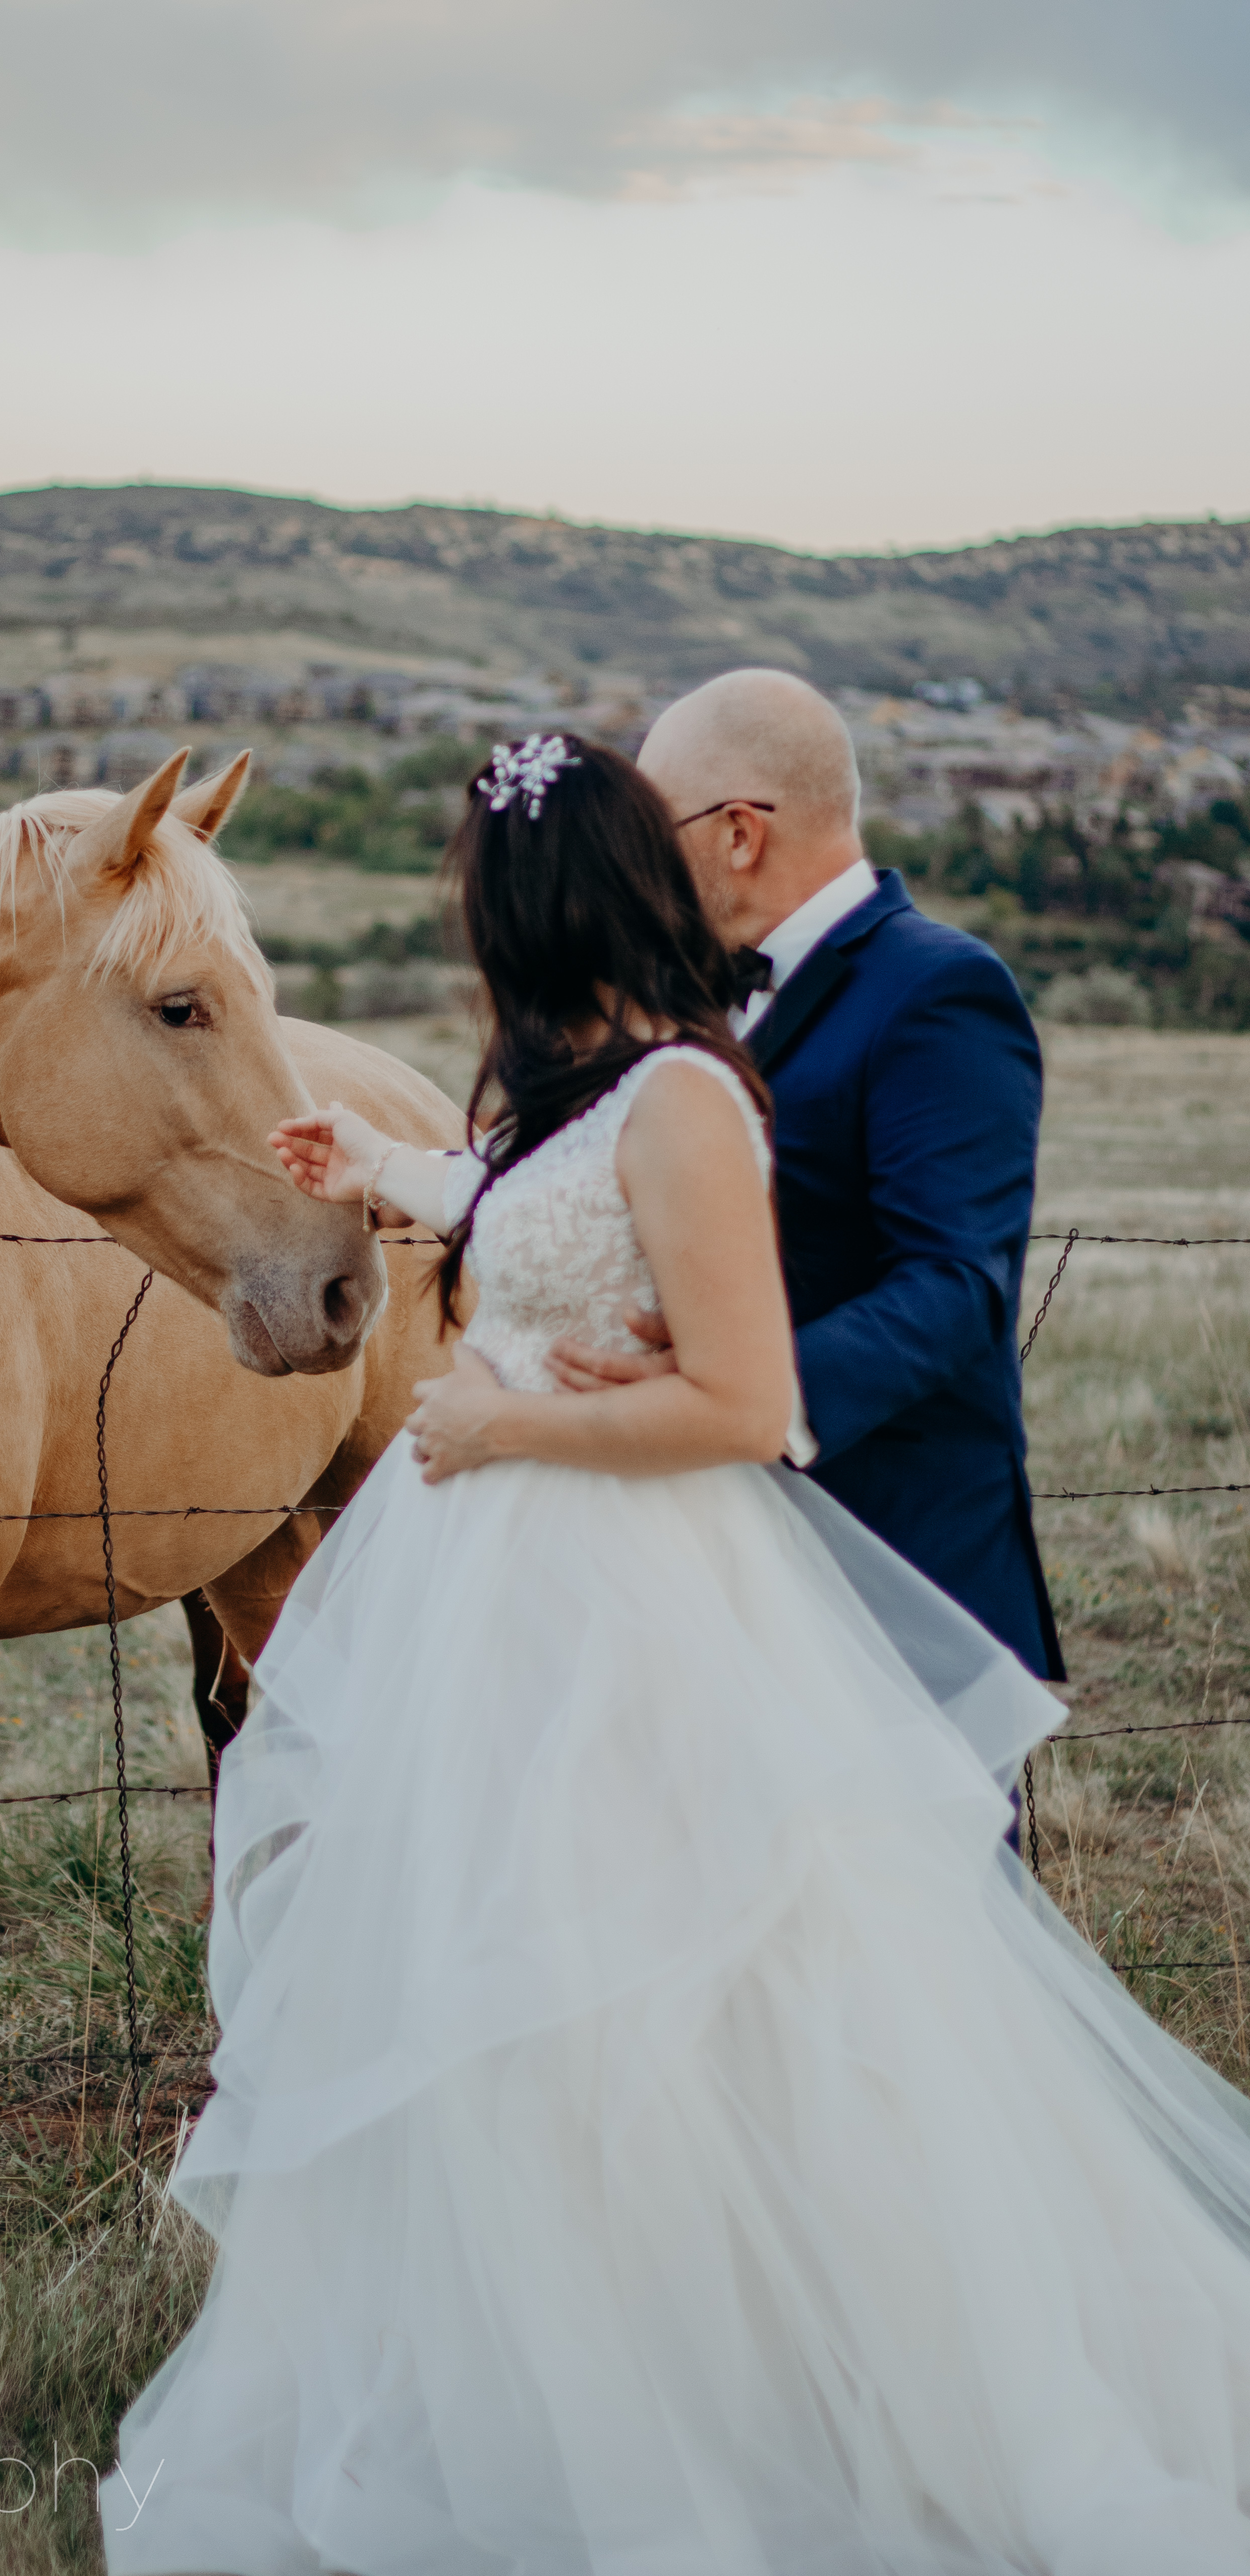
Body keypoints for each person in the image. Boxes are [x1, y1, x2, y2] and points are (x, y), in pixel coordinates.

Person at [101, 732, 1250, 2574]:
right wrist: (390, 1164)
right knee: (536, 2016)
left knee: (696, 2004)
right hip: (526, 1611)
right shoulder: (599, 1092)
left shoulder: (689, 1101)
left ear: (533, 912)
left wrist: (502, 1425)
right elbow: (542, 1220)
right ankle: (575, 2394)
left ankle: (771, 2421)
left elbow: (742, 1392)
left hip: (646, 1602)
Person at [550, 667, 1065, 1683]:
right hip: (714, 1558)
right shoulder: (682, 1002)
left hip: (899, 1559)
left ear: (739, 832)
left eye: (654, 836)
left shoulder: (941, 991)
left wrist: (737, 1393)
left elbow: (955, 1285)